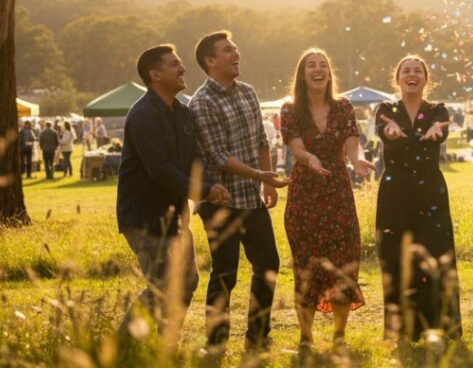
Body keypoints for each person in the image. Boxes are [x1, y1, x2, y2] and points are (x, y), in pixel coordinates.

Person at [116, 44, 231, 344]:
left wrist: (211, 186)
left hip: (176, 218)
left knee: (187, 280)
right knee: (163, 284)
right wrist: (206, 191)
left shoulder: (182, 112)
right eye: (174, 65)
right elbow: (161, 170)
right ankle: (121, 347)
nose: (182, 69)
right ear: (155, 74)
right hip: (144, 218)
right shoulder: (143, 115)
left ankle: (167, 343)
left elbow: (195, 160)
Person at [189, 31, 288, 355]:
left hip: (252, 198)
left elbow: (261, 140)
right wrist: (260, 175)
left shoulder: (247, 92)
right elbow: (218, 155)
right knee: (225, 272)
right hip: (221, 201)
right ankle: (216, 342)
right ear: (210, 60)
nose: (236, 53)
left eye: (235, 47)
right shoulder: (201, 102)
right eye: (228, 50)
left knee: (268, 264)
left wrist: (266, 182)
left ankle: (258, 337)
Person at [280, 49, 372, 349]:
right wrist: (310, 159)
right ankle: (306, 337)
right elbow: (296, 149)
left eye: (323, 65)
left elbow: (352, 144)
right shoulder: (290, 109)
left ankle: (339, 336)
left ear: (329, 73)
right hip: (304, 194)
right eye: (311, 65)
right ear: (302, 73)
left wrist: (358, 161)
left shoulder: (343, 107)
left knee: (343, 261)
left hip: (338, 193)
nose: (318, 69)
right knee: (306, 265)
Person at [375, 55, 462, 343]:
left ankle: (440, 326)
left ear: (426, 79)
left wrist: (438, 131)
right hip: (394, 189)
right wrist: (389, 133)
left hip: (430, 191)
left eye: (417, 71)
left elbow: (442, 126)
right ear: (397, 78)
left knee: (436, 255)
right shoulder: (386, 109)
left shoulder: (437, 109)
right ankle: (400, 329)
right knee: (395, 255)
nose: (412, 75)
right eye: (406, 70)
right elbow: (383, 130)